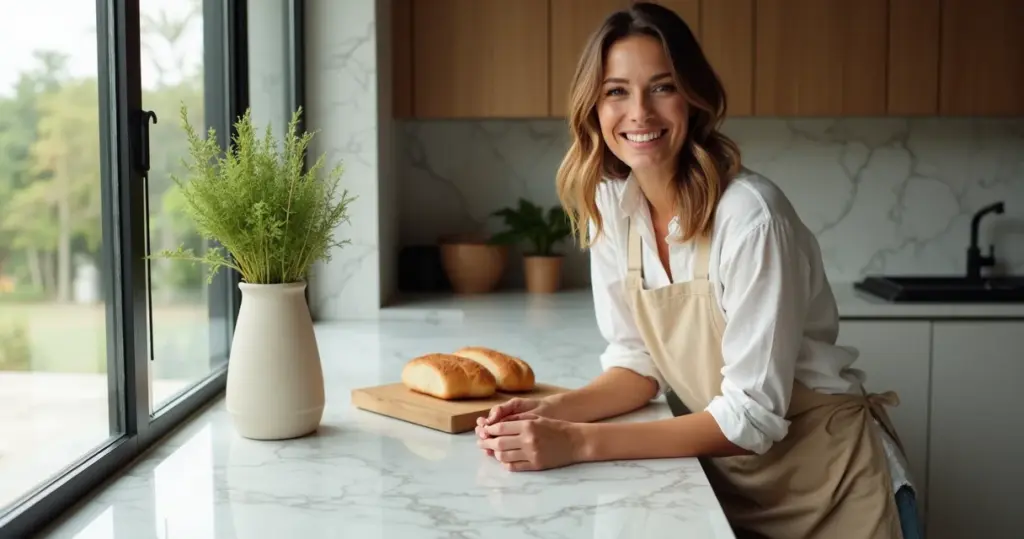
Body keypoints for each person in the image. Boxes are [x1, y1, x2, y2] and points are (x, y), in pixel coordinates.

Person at [473, 3, 923, 538]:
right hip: (734, 490)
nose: (638, 112)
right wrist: (549, 412)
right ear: (592, 106)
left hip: (837, 492)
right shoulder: (615, 210)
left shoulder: (752, 219)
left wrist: (578, 443)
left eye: (661, 87)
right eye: (616, 90)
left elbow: (751, 416)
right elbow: (637, 365)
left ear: (694, 96)